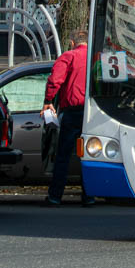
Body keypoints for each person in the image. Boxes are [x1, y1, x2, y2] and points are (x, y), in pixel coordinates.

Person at [44, 29, 96, 205]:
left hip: (72, 112)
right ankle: (89, 196)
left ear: (72, 43)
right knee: (89, 155)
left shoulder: (69, 56)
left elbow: (54, 81)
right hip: (93, 113)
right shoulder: (96, 58)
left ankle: (55, 196)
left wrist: (48, 101)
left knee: (63, 156)